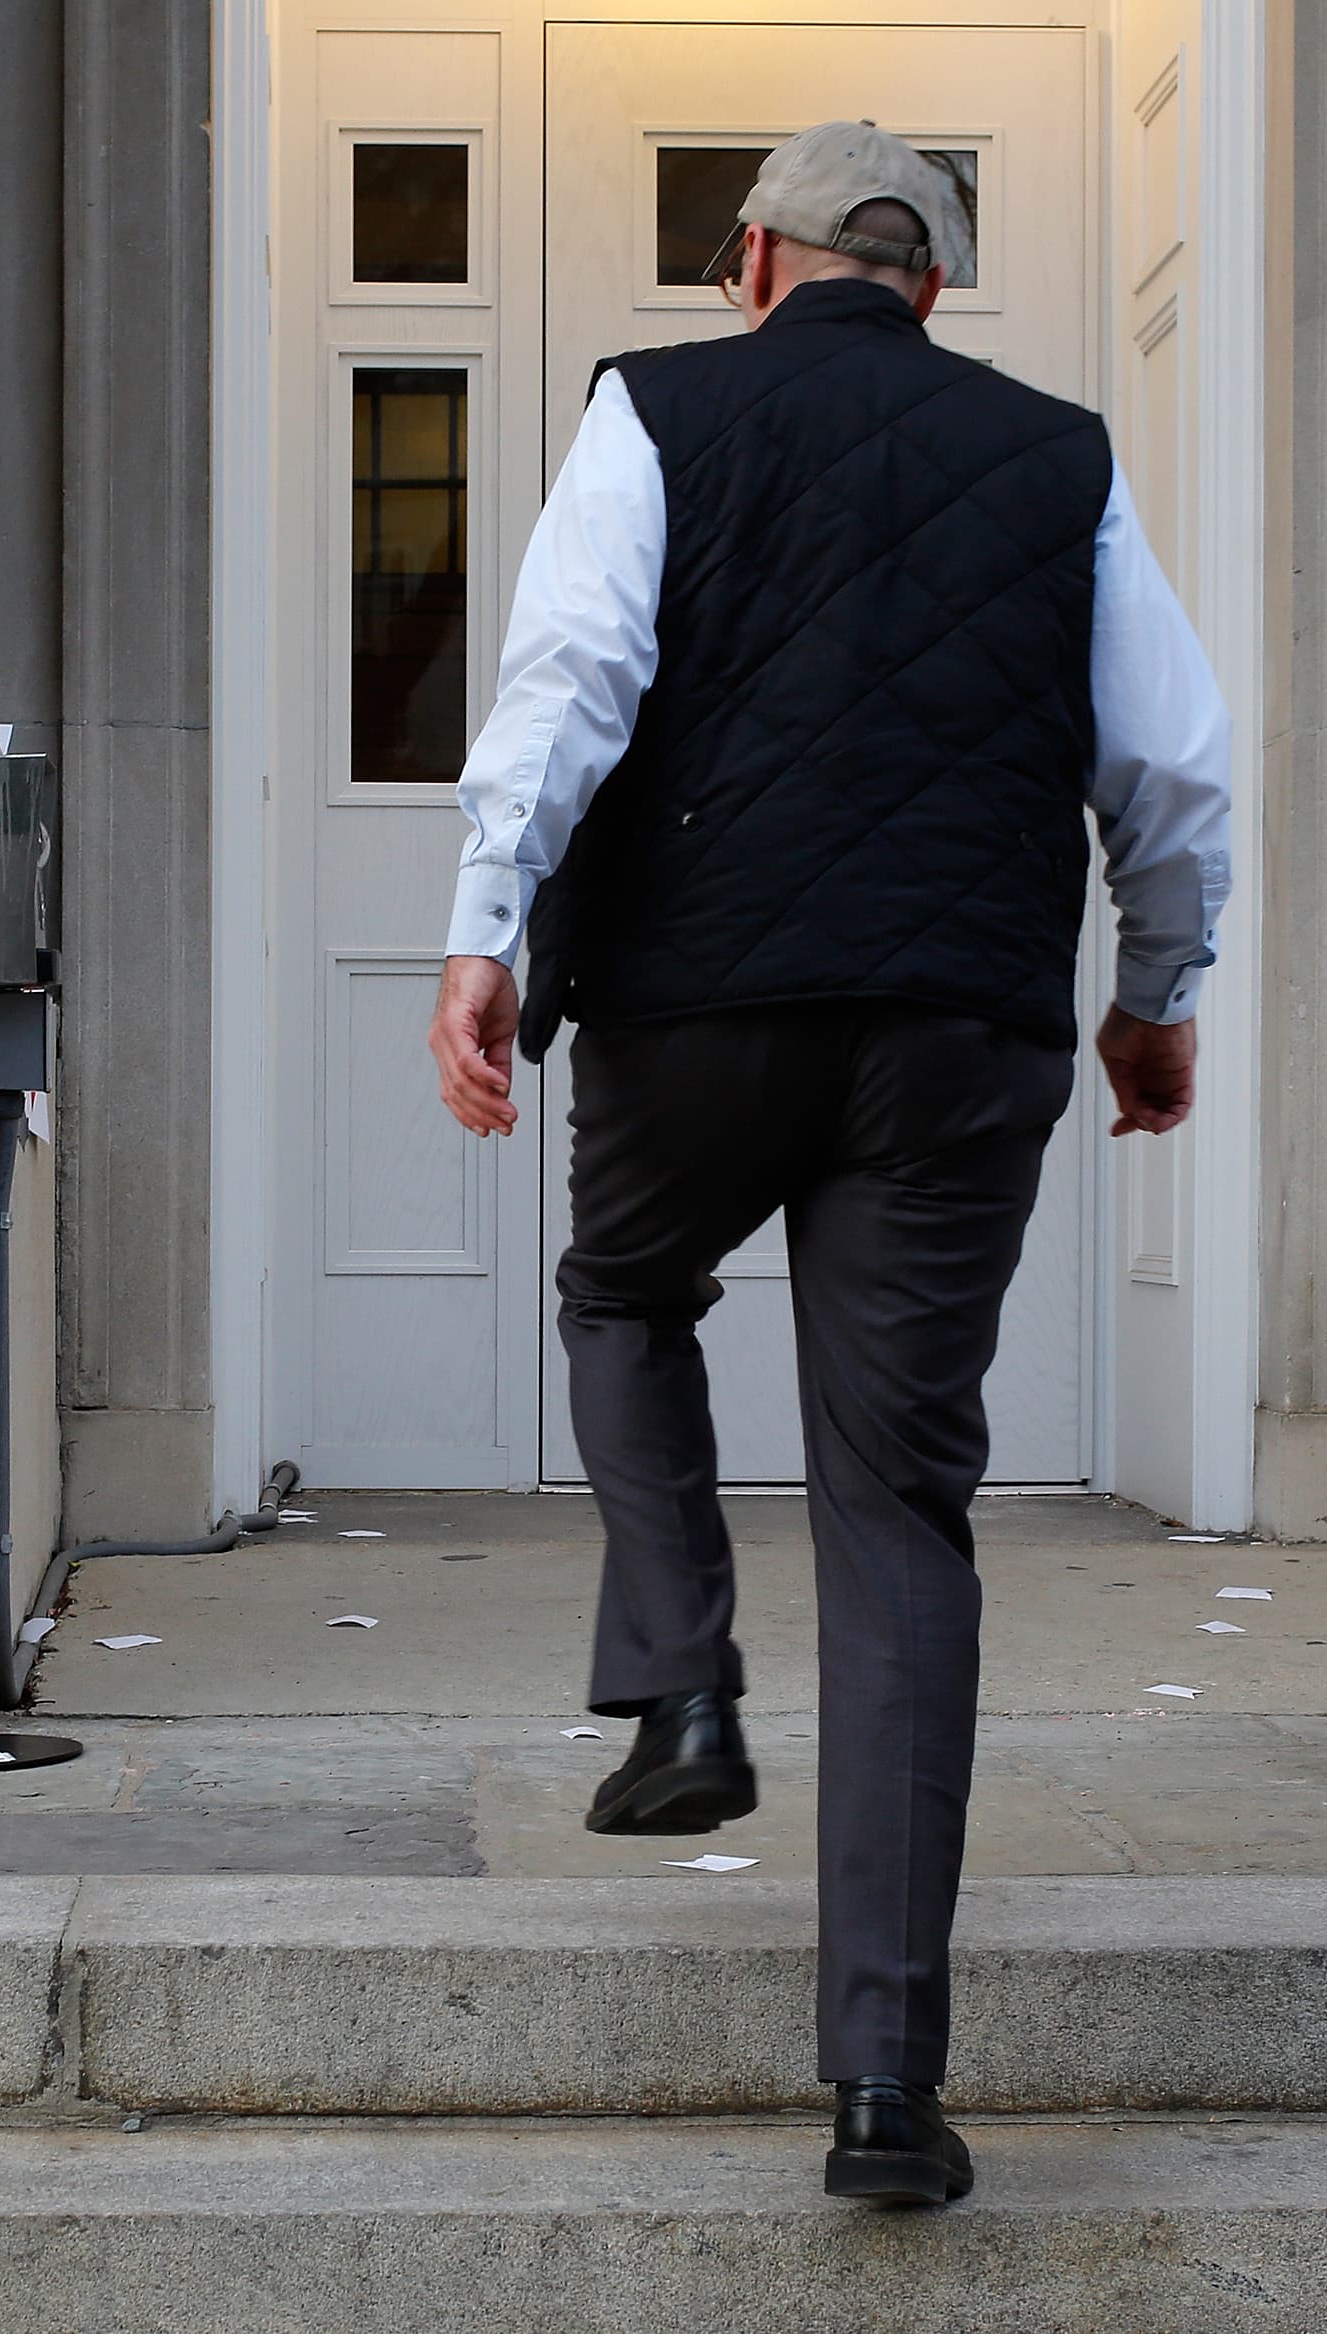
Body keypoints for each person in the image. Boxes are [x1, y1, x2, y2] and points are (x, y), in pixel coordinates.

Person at [425, 121, 1236, 2206]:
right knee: (898, 1516)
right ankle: (886, 2089)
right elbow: (1167, 760)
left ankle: (681, 1685)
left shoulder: (655, 411)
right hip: (955, 1026)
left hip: (696, 1009)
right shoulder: (1056, 458)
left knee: (624, 1291)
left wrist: (484, 930)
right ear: (934, 286)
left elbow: (569, 679)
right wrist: (1156, 988)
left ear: (749, 262)